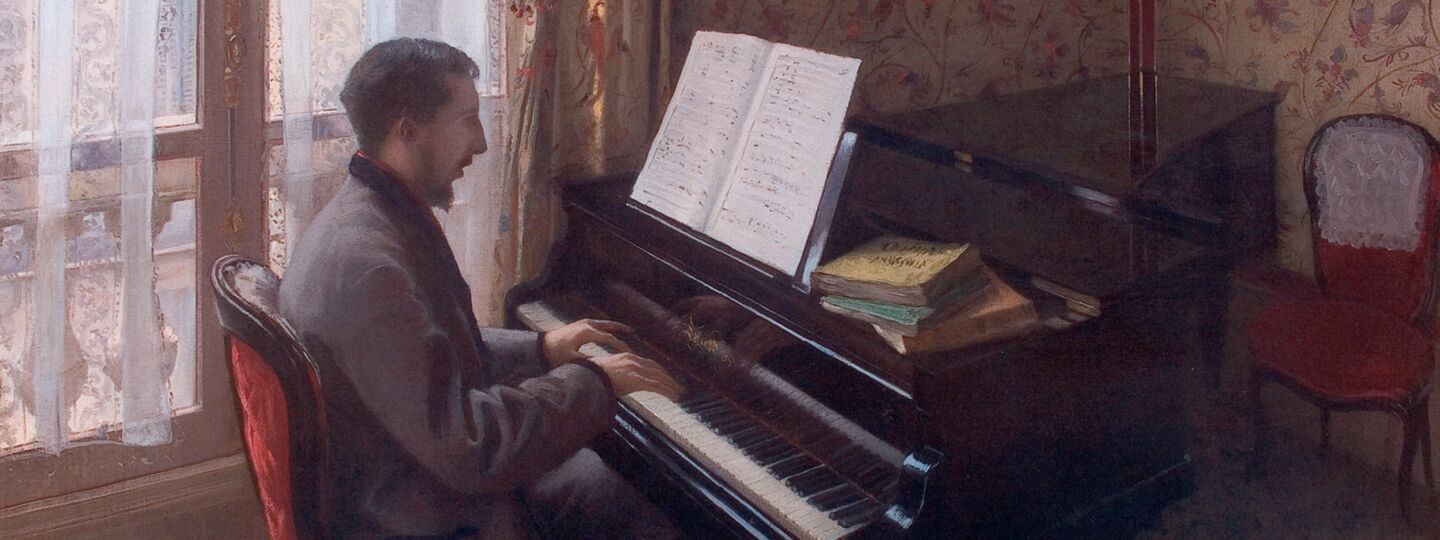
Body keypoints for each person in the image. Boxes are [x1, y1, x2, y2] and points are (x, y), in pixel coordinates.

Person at [278, 37, 683, 539]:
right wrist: (594, 383)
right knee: (645, 513)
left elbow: (424, 349)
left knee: (617, 488)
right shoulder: (366, 266)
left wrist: (541, 347)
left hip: (416, 482)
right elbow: (469, 445)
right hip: (418, 518)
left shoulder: (372, 216)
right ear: (408, 132)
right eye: (466, 120)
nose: (482, 142)